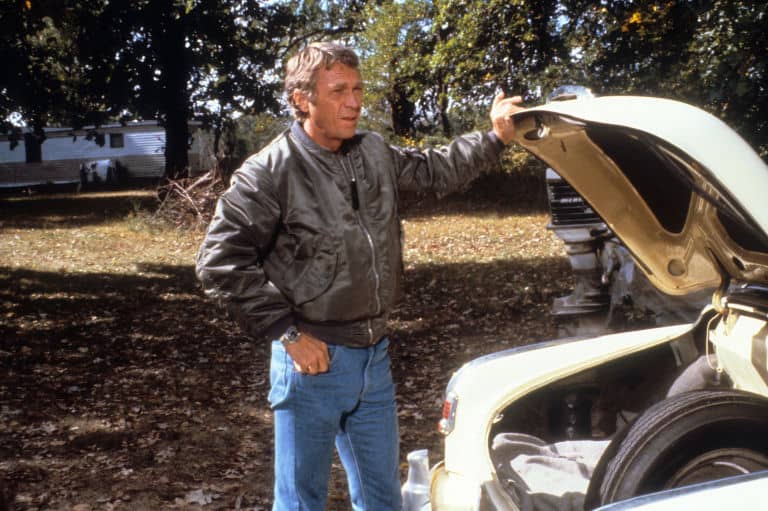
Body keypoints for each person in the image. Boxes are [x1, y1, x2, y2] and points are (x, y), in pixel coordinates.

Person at [196, 41, 524, 511]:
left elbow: (435, 170)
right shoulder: (269, 171)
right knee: (299, 503)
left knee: (382, 500)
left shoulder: (372, 151)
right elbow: (218, 262)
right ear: (301, 99)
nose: (353, 102)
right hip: (312, 363)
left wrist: (494, 138)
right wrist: (287, 334)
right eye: (337, 92)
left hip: (375, 358)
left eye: (357, 89)